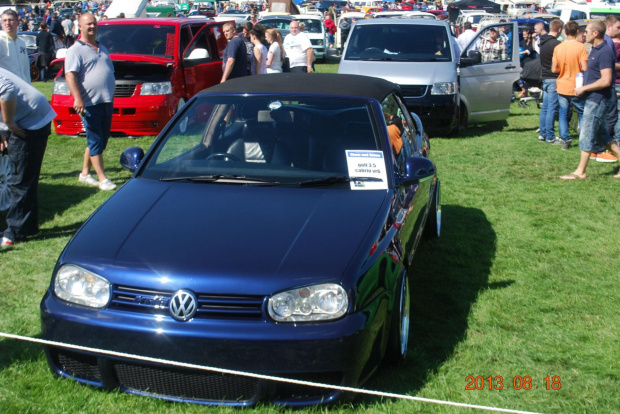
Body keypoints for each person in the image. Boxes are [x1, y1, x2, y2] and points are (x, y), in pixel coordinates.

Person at [0, 68, 56, 248]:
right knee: (27, 176)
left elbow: (7, 90)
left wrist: (8, 123)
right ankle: (28, 227)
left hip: (31, 122)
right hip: (35, 116)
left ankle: (13, 233)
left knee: (21, 178)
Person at [560, 21, 620, 180]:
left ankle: (580, 172)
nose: (583, 34)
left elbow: (606, 80)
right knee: (602, 136)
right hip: (592, 98)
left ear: (595, 33)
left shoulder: (605, 52)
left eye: (586, 31)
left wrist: (584, 88)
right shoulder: (594, 50)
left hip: (598, 99)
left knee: (586, 133)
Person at [64, 13, 116, 191]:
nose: (92, 26)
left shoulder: (101, 47)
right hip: (89, 103)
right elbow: (70, 74)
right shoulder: (75, 50)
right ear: (80, 26)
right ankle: (103, 179)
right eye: (88, 24)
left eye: (94, 23)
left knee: (100, 140)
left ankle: (85, 173)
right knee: (95, 139)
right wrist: (77, 98)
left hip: (106, 101)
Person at [551, 20, 588, 150]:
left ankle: (565, 139)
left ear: (565, 32)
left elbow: (554, 69)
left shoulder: (558, 47)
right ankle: (584, 138)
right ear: (577, 31)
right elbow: (584, 67)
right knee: (582, 112)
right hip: (576, 85)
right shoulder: (581, 47)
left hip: (562, 84)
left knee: (563, 112)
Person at [537, 18, 563, 144]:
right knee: (551, 108)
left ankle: (543, 133)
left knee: (545, 108)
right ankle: (550, 136)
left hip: (545, 76)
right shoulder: (556, 44)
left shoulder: (543, 41)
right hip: (553, 77)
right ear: (559, 30)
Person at [0, 10, 31, 84]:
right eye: (4, 20)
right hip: (6, 90)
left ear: (18, 23)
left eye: (10, 20)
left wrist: (28, 85)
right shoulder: (1, 41)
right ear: (1, 23)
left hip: (23, 88)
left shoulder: (21, 42)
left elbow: (26, 68)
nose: (7, 23)